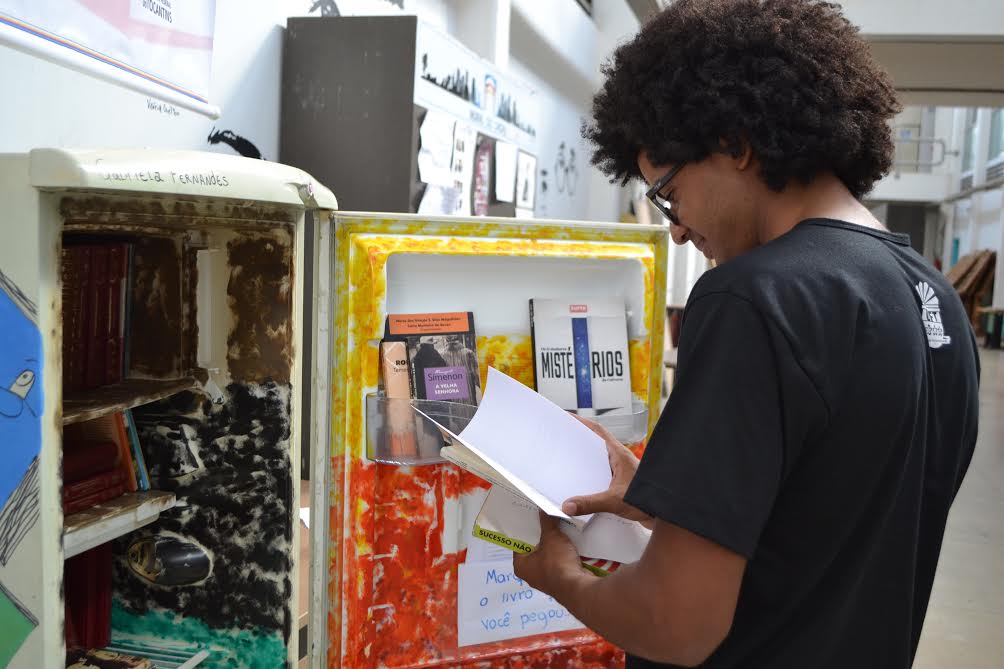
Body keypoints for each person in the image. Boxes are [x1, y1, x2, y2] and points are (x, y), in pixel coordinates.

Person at [512, 1, 981, 668]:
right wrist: (668, 495)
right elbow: (829, 523)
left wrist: (559, 572)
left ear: (734, 143)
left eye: (668, 191)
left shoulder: (755, 298)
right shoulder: (933, 300)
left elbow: (676, 622)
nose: (674, 227)